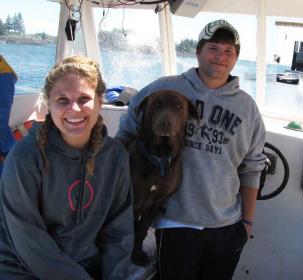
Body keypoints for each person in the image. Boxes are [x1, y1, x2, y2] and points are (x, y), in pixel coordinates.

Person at [116, 19, 266, 280]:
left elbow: (252, 168)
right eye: (213, 48)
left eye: (228, 51)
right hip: (176, 223)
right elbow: (127, 132)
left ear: (236, 58)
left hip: (227, 225)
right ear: (198, 52)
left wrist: (247, 223)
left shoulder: (247, 107)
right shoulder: (163, 88)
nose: (220, 56)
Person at [0, 56, 134, 280]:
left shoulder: (114, 156)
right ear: (48, 104)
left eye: (84, 98)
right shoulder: (25, 156)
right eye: (62, 99)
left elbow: (118, 231)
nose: (74, 108)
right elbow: (29, 241)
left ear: (100, 101)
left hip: (84, 265)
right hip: (22, 268)